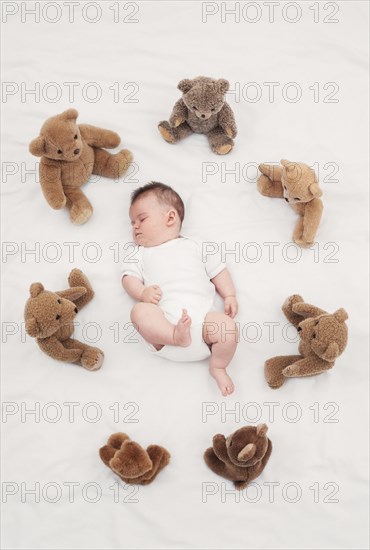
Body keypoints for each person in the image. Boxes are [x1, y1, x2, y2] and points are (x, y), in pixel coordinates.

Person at [121, 182, 239, 396]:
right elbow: (128, 278)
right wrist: (142, 293)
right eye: (132, 223)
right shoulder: (139, 253)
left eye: (142, 219)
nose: (135, 227)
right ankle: (175, 335)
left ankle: (218, 366)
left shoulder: (196, 246)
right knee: (139, 312)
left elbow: (218, 270)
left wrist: (229, 294)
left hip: (203, 329)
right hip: (163, 331)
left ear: (170, 218)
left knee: (227, 328)